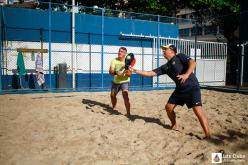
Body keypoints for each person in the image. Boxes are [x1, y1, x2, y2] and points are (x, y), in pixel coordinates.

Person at [130, 44, 211, 139]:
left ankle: (208, 136)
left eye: (165, 49)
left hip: (191, 87)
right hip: (180, 90)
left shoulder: (180, 56)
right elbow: (150, 73)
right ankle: (174, 124)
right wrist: (134, 70)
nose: (163, 50)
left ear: (172, 51)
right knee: (168, 108)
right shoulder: (166, 66)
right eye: (163, 49)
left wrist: (186, 75)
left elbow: (193, 62)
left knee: (198, 112)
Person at [109, 47, 131, 117]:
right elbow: (110, 71)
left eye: (121, 51)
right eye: (119, 51)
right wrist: (116, 72)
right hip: (116, 82)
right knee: (112, 95)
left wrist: (124, 73)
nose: (119, 52)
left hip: (125, 81)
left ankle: (128, 113)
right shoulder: (114, 60)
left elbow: (130, 74)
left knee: (125, 96)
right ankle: (114, 107)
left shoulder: (128, 62)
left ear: (125, 53)